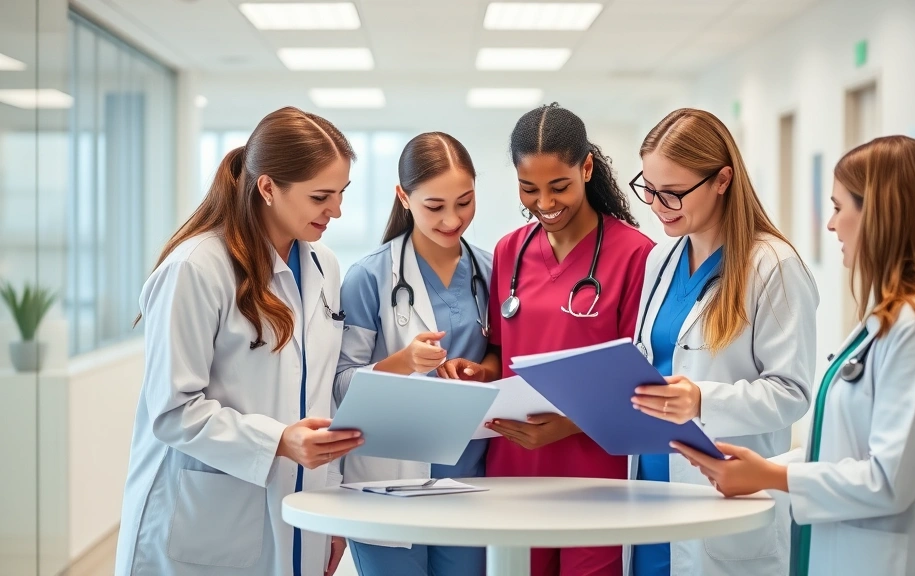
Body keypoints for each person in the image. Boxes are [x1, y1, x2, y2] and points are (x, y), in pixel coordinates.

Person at [676, 135, 915, 576]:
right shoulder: (890, 319)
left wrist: (772, 476)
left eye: (838, 207)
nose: (831, 225)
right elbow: (844, 452)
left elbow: (888, 481)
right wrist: (759, 469)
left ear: (880, 214)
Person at [115, 106, 363, 576]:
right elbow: (172, 411)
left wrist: (332, 510)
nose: (336, 210)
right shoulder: (196, 268)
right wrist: (279, 442)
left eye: (341, 193)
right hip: (205, 516)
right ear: (268, 188)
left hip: (303, 509)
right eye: (320, 196)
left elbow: (320, 394)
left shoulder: (324, 265)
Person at [440, 103, 655, 576]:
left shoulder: (635, 255)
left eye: (559, 187)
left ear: (587, 169)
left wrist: (568, 424)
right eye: (529, 188)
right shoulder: (510, 251)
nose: (544, 203)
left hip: (595, 472)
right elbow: (501, 349)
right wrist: (481, 373)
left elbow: (638, 379)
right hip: (514, 470)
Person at [627, 108, 818, 576]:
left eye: (673, 192)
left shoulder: (772, 265)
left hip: (719, 499)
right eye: (649, 189)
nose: (658, 205)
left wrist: (701, 401)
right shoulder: (661, 260)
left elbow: (791, 393)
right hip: (650, 495)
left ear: (722, 180)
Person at [335, 132, 492, 576]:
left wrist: (481, 370)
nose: (452, 219)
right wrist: (403, 363)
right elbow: (340, 385)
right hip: (388, 480)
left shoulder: (492, 270)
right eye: (434, 206)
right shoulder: (368, 277)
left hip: (468, 478)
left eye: (464, 202)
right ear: (403, 197)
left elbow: (501, 353)